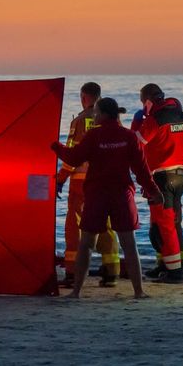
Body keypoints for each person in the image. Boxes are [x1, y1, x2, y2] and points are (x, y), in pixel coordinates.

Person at [50, 97, 158, 299]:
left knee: (86, 244)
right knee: (129, 243)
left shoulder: (94, 136)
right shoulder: (128, 136)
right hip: (121, 194)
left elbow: (73, 158)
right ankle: (138, 291)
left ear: (106, 114)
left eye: (97, 112)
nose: (94, 115)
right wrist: (153, 190)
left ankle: (76, 292)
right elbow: (141, 170)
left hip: (97, 194)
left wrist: (55, 146)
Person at [55, 81, 121, 287]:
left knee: (75, 225)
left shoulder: (80, 121)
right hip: (108, 180)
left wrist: (60, 178)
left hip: (81, 181)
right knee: (106, 223)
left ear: (83, 97)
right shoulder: (114, 121)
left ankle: (73, 273)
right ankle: (111, 271)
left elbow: (72, 154)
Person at [134, 83, 183, 283]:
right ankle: (167, 264)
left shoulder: (155, 120)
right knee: (167, 222)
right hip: (181, 176)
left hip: (162, 177)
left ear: (148, 101)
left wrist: (137, 123)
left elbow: (135, 145)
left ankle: (175, 272)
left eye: (143, 103)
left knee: (165, 224)